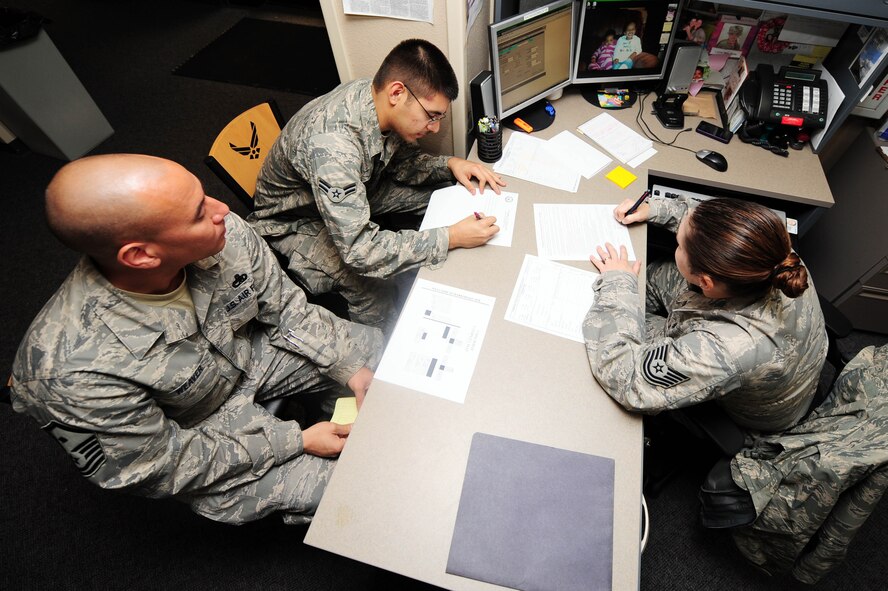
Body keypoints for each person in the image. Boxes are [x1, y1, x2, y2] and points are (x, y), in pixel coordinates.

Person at [10, 154, 384, 525]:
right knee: (358, 489)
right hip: (198, 432)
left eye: (204, 196)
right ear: (140, 255)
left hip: (250, 353)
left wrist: (348, 366)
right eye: (196, 213)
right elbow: (158, 465)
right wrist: (296, 440)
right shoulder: (68, 372)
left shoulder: (224, 231)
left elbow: (287, 310)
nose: (221, 208)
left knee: (384, 361)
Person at [249, 38, 505, 333]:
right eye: (432, 116)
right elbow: (360, 251)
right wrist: (450, 238)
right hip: (296, 221)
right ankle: (380, 358)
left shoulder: (375, 97)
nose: (434, 127)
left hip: (360, 188)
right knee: (376, 289)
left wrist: (449, 165)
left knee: (443, 195)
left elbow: (402, 163)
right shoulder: (334, 147)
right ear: (397, 92)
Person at [583, 195, 827, 433]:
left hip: (755, 404)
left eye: (679, 244)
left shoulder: (725, 349)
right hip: (775, 356)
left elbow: (627, 377)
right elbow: (709, 223)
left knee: (612, 331)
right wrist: (657, 208)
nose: (677, 243)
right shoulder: (771, 252)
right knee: (658, 274)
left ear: (705, 282)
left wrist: (618, 283)